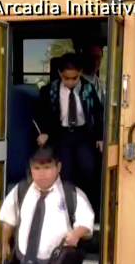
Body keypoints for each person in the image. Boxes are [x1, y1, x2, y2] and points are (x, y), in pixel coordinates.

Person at [35, 53, 104, 212]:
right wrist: (45, 132)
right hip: (61, 134)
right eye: (67, 78)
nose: (71, 82)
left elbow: (98, 114)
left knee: (88, 168)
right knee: (66, 172)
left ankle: (88, 211)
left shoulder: (88, 89)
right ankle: (67, 211)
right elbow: (43, 114)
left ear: (80, 72)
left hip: (83, 135)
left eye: (75, 78)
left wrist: (99, 137)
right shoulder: (49, 91)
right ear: (60, 74)